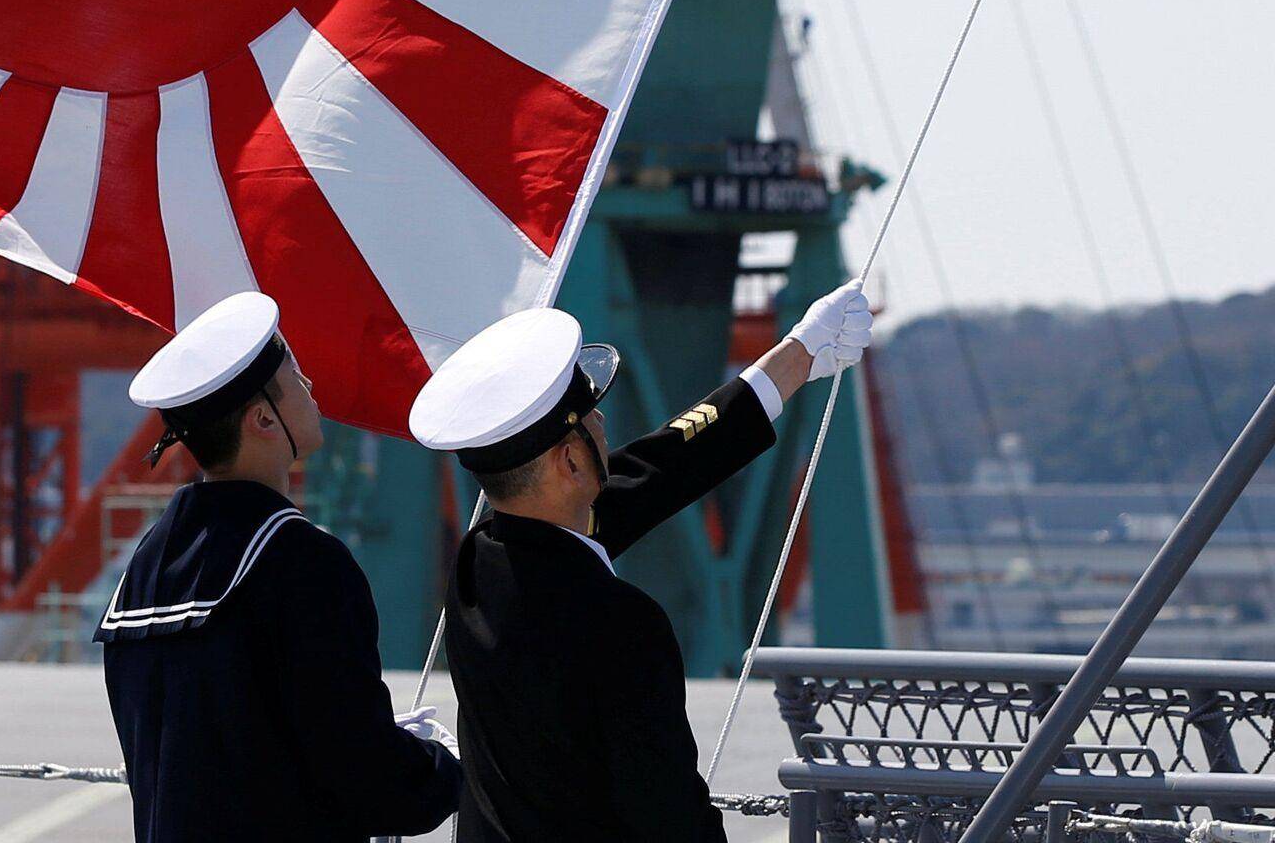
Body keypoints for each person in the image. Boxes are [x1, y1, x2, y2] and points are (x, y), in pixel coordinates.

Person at [408, 281, 873, 842]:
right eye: (592, 421)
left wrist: (797, 357)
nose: (604, 428)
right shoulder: (621, 624)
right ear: (570, 463)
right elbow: (668, 813)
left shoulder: (477, 564)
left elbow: (652, 473)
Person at [97, 291, 462, 843]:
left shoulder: (144, 567)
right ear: (264, 417)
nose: (311, 387)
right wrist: (443, 764)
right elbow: (371, 782)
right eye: (295, 374)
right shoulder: (303, 564)